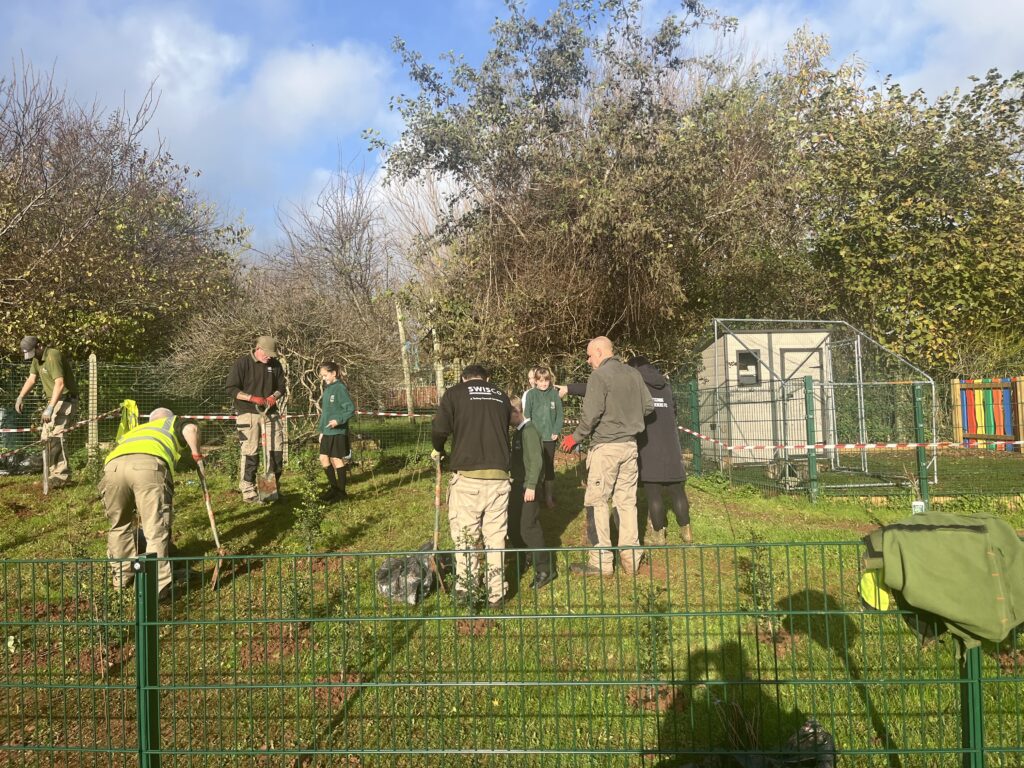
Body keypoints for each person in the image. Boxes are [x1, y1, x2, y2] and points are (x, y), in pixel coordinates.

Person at [560, 336, 652, 576]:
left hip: (606, 449)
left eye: (590, 356)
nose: (589, 361)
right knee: (627, 502)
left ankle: (600, 562)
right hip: (630, 448)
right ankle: (631, 560)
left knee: (596, 502)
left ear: (600, 352)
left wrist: (575, 438)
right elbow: (648, 407)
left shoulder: (599, 376)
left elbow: (591, 415)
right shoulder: (634, 374)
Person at [431, 364, 513, 609]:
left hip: (469, 477)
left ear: (463, 378)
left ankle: (466, 590)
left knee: (466, 536)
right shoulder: (500, 395)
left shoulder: (455, 393)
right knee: (496, 537)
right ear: (486, 378)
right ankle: (496, 595)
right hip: (499, 476)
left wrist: (438, 449)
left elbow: (439, 428)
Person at [100, 407, 202, 600]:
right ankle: (158, 587)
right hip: (147, 467)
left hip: (113, 468)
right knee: (155, 528)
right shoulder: (172, 422)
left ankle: (122, 579)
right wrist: (197, 455)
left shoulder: (135, 431)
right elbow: (191, 430)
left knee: (119, 526)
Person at [626, 356, 693, 544]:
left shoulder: (637, 385)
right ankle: (686, 532)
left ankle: (658, 535)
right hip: (671, 445)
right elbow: (674, 411)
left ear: (634, 368)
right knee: (677, 491)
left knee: (653, 493)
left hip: (649, 446)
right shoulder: (665, 385)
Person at [225, 335, 285, 502]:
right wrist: (252, 398)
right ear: (258, 349)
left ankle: (269, 490)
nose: (269, 357)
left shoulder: (275, 364)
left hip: (270, 413)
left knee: (275, 450)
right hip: (248, 413)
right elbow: (231, 388)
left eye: (272, 355)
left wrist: (274, 396)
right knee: (250, 452)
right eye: (267, 354)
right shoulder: (242, 363)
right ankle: (248, 490)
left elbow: (281, 387)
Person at [14, 336, 79, 488]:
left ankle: (61, 477)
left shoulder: (53, 355)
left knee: (56, 436)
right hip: (55, 400)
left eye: (33, 352)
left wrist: (50, 408)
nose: (32, 356)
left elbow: (60, 383)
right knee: (46, 437)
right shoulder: (37, 359)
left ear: (39, 346)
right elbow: (31, 379)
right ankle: (51, 475)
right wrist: (20, 396)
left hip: (65, 399)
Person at [509, 396, 556, 588]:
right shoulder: (518, 432)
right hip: (517, 484)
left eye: (507, 416)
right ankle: (527, 557)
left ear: (516, 412)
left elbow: (536, 461)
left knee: (529, 527)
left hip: (528, 486)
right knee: (513, 525)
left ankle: (545, 569)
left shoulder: (529, 431)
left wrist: (531, 486)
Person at [524, 366, 563, 509]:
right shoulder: (530, 395)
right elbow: (527, 415)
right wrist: (530, 434)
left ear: (550, 380)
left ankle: (548, 497)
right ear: (535, 381)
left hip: (549, 438)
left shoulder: (554, 394)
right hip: (535, 438)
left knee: (548, 467)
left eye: (546, 380)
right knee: (535, 465)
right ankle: (535, 495)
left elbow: (559, 416)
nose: (543, 384)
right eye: (540, 381)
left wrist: (556, 430)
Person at [317, 362, 355, 502]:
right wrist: (322, 431)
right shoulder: (328, 389)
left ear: (333, 373)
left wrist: (338, 421)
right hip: (327, 432)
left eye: (325, 375)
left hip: (337, 431)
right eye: (322, 376)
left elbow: (350, 409)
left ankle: (341, 493)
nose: (324, 378)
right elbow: (326, 413)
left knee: (336, 460)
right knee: (323, 459)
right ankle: (334, 488)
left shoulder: (340, 388)